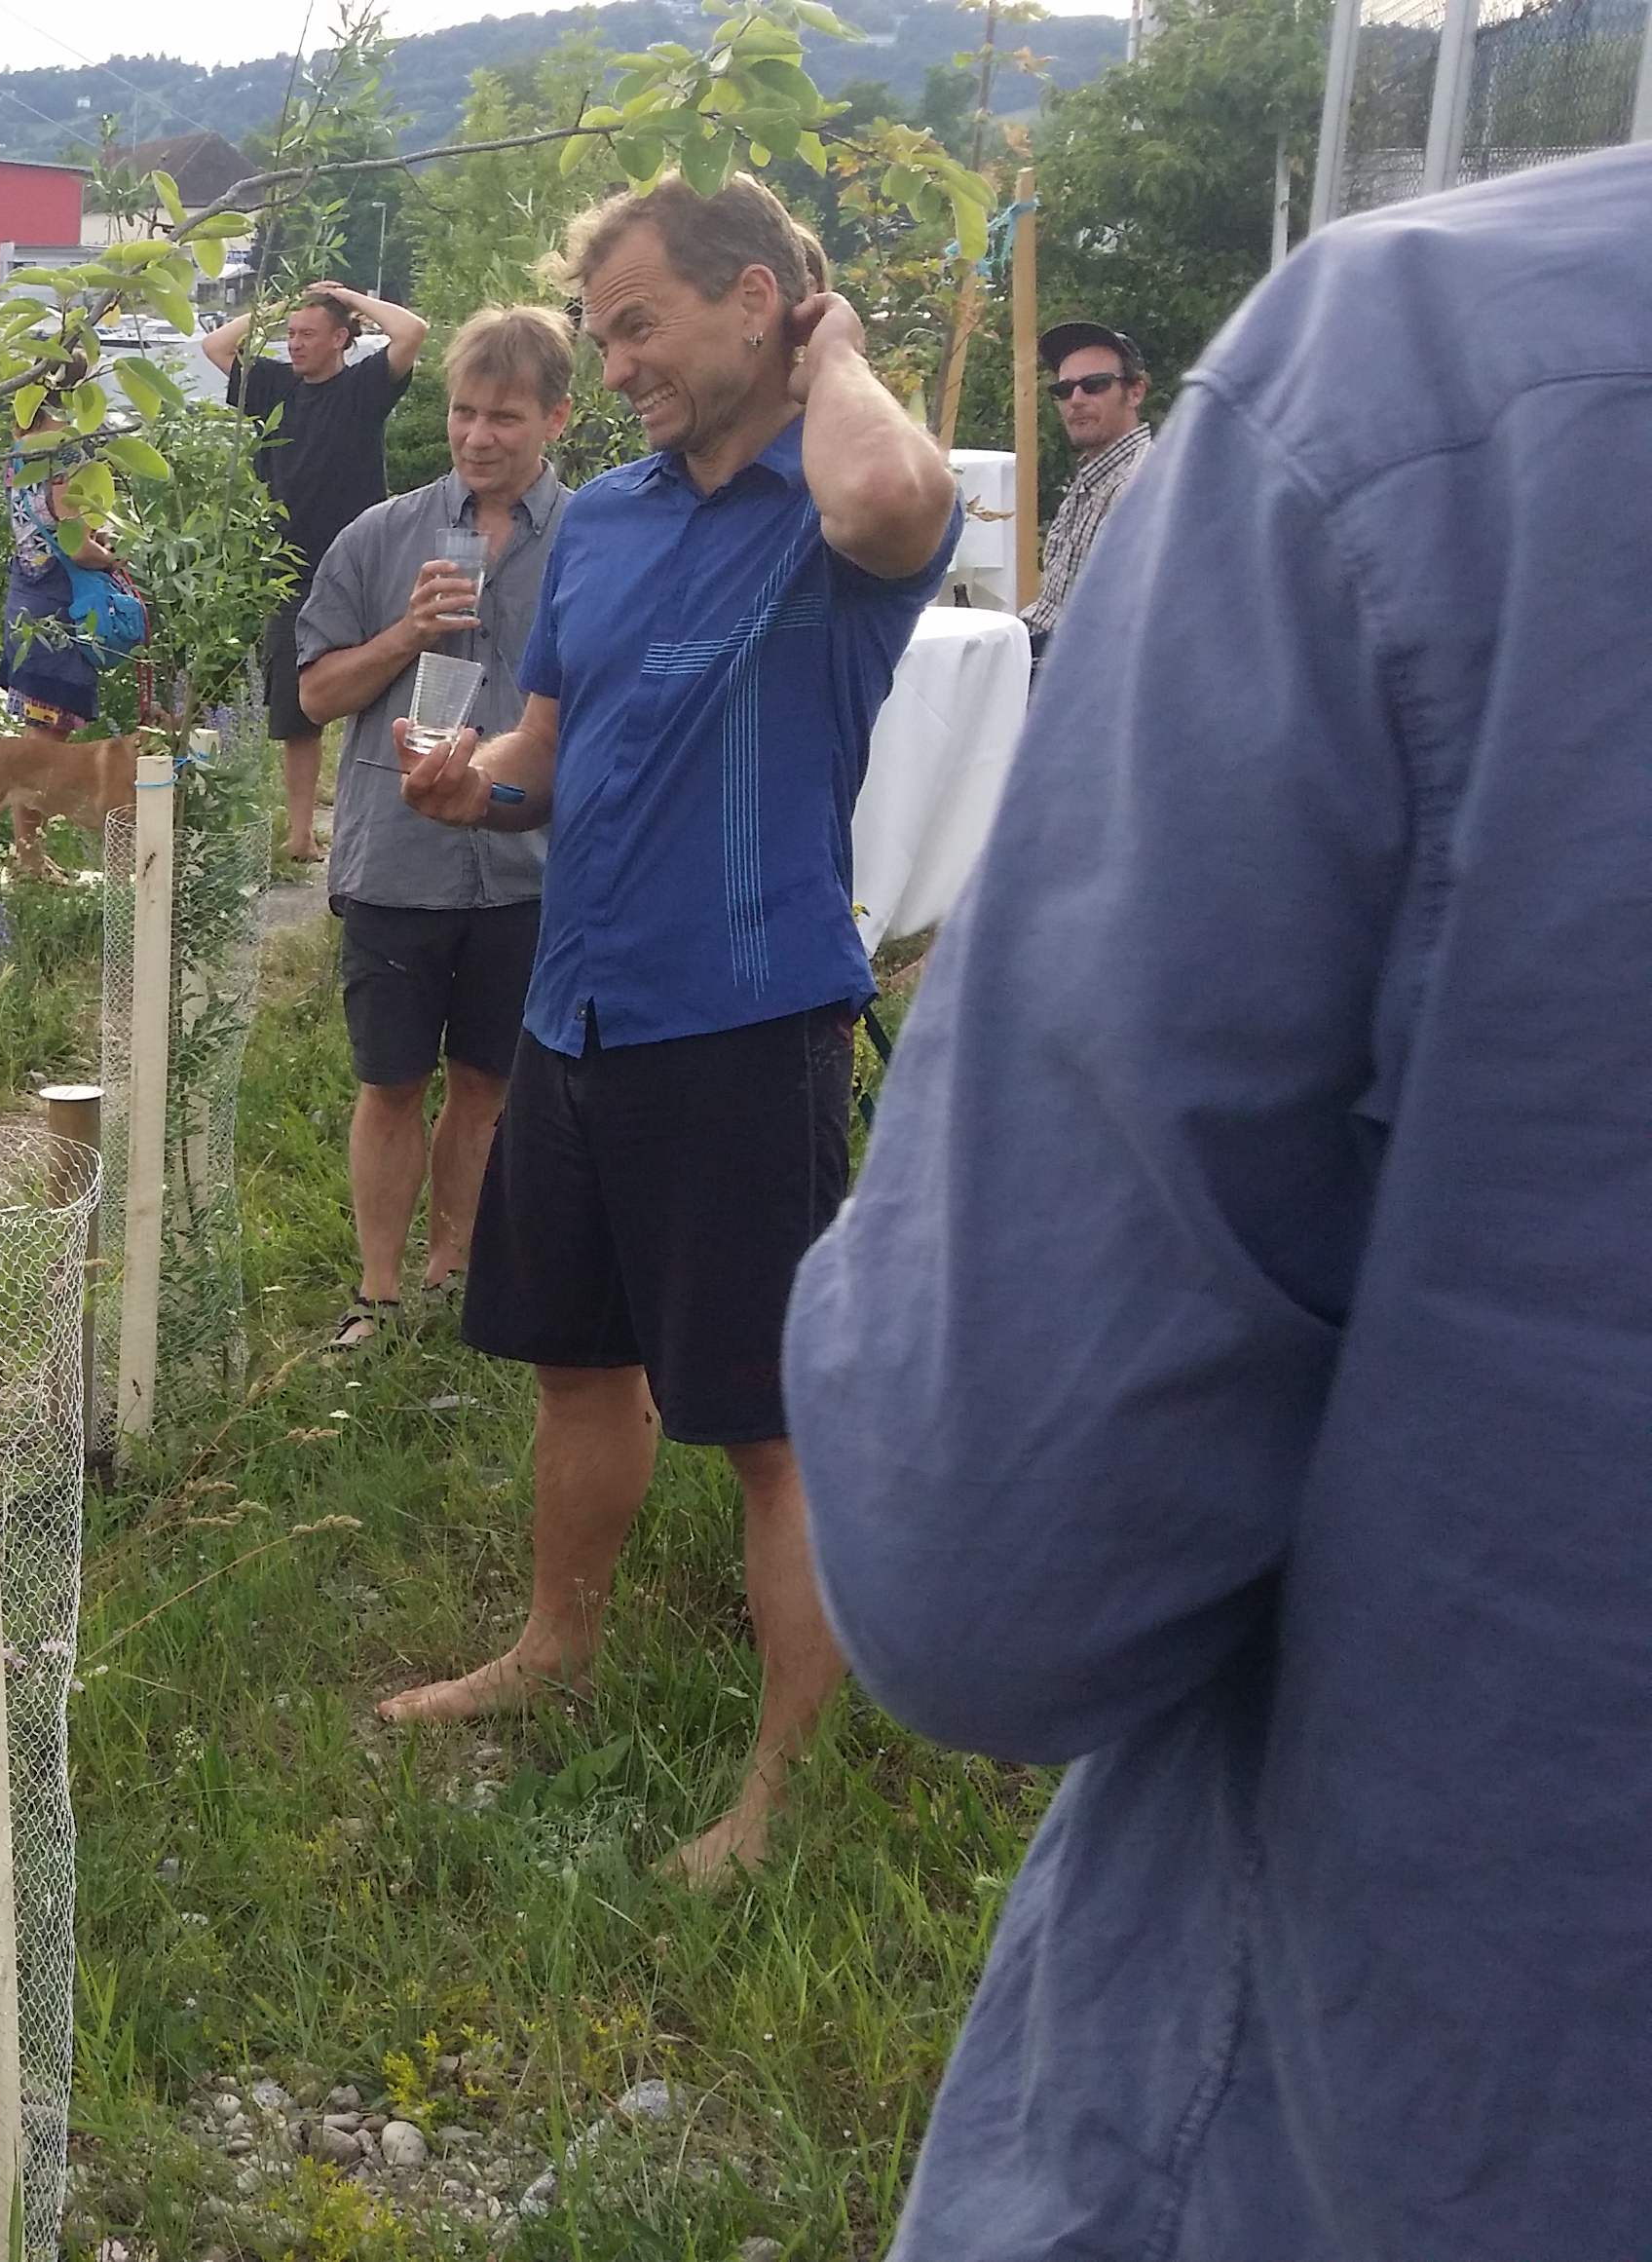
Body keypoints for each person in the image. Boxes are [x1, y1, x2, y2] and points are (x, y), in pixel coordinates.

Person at [786, 148, 1652, 2253]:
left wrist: (1012, 1054)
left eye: (1096, 388)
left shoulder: (1424, 394)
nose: (1085, 406)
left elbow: (992, 1563)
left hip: (1401, 2111)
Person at [383, 175, 959, 1884]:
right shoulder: (611, 520)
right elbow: (545, 752)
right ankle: (555, 1643)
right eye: (602, 331)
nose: (613, 362)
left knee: (767, 1425)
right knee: (578, 1363)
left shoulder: (838, 509)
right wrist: (471, 787)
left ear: (758, 298)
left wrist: (835, 346)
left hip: (743, 1023)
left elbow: (890, 489)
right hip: (573, 1010)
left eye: (638, 325)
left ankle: (779, 1792)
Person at [291, 304, 575, 1352]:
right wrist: (406, 634)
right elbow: (315, 695)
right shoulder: (381, 534)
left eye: (504, 417)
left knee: (489, 1084)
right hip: (398, 860)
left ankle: (456, 1274)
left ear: (556, 418)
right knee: (390, 1082)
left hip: (529, 863)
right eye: (463, 413)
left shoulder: (595, 539)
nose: (477, 437)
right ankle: (378, 1293)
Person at [204, 280, 423, 862]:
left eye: (307, 334)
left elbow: (412, 332)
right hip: (290, 567)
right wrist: (280, 305)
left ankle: (387, 823)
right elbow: (216, 347)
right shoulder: (275, 387)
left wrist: (349, 297)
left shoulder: (364, 388)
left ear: (341, 340)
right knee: (295, 706)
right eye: (290, 334)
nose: (294, 344)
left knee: (385, 691)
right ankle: (301, 835)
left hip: (363, 566)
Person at [1020, 318, 1157, 660]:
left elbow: (1114, 634)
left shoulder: (1138, 487)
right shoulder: (1094, 477)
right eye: (1063, 390)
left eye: (1094, 385)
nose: (1076, 400)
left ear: (1135, 392)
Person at [0, 421, 124, 738]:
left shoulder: (19, 452)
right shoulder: (63, 453)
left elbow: (42, 531)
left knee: (37, 741)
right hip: (58, 609)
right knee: (47, 747)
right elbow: (77, 549)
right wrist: (111, 559)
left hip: (26, 601)